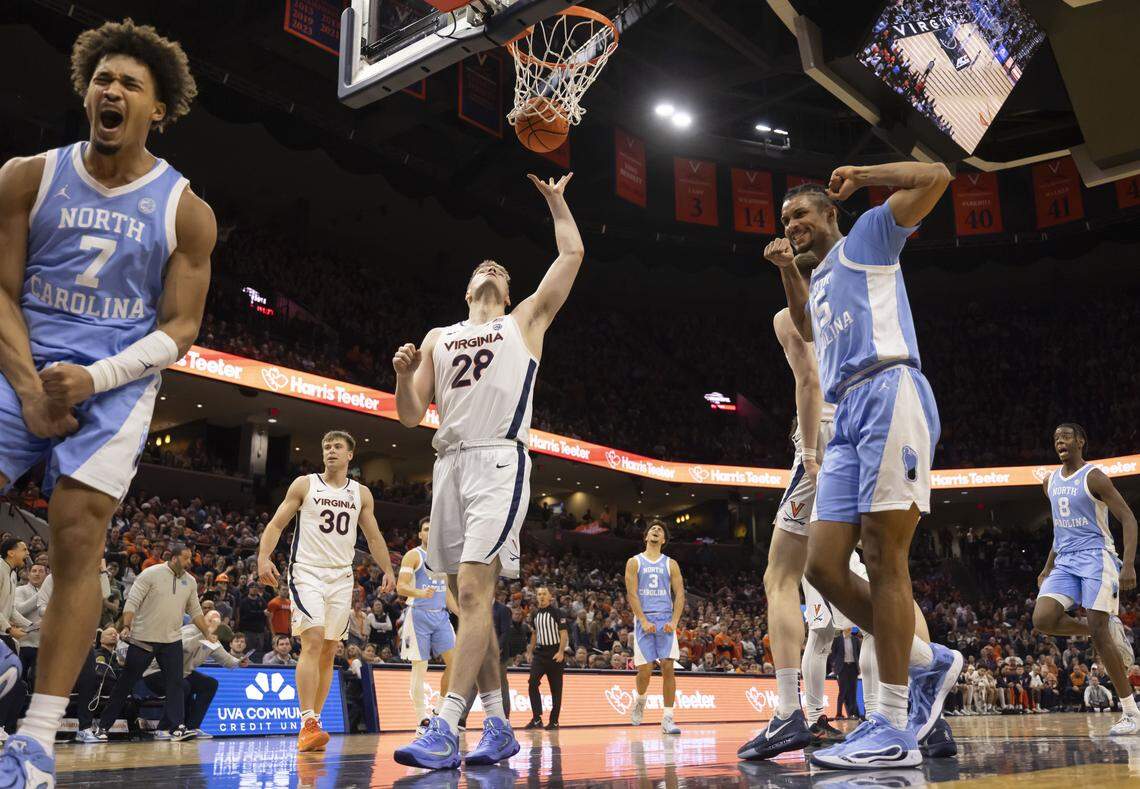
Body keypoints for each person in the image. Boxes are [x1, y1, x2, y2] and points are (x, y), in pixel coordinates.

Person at [0, 18, 215, 784]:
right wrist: (28, 385)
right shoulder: (28, 175)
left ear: (158, 109)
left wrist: (91, 380)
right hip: (21, 362)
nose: (111, 90)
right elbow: (1, 288)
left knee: (76, 532)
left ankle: (35, 734)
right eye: (103, 79)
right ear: (86, 91)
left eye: (130, 83)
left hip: (115, 385)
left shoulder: (184, 209)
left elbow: (181, 328)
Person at [768, 163, 960, 770]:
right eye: (784, 220)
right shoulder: (818, 278)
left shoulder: (870, 237)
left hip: (890, 390)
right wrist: (786, 272)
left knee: (883, 557)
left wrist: (866, 175)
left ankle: (894, 724)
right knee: (822, 567)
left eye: (800, 214)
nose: (791, 225)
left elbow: (937, 176)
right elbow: (803, 325)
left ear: (829, 213)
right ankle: (929, 660)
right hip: (845, 411)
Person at [392, 172, 583, 771]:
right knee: (468, 600)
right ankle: (498, 724)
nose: (493, 268)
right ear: (469, 286)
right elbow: (406, 416)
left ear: (507, 289)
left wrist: (556, 203)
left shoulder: (525, 321)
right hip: (447, 466)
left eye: (502, 268)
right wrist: (402, 375)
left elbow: (572, 253)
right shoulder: (439, 336)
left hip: (499, 458)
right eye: (484, 266)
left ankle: (447, 726)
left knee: (473, 591)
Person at [258, 429, 395, 752]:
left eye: (337, 447)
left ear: (350, 455)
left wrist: (388, 569)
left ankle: (315, 722)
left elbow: (373, 538)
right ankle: (306, 721)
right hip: (307, 571)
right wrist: (263, 557)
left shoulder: (361, 493)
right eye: (326, 447)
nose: (331, 451)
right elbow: (277, 524)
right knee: (313, 638)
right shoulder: (305, 484)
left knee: (330, 649)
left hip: (340, 577)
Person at [1032, 423, 1139, 734]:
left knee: (1099, 633)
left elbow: (1129, 518)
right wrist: (1047, 567)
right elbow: (1059, 529)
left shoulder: (1094, 477)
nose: (1060, 442)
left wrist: (1128, 564)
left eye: (1066, 437)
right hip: (1065, 561)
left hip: (1096, 557)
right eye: (1055, 439)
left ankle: (1130, 711)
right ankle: (1103, 628)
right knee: (1043, 619)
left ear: (1081, 441)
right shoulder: (1049, 481)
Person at [95, 544, 209, 742]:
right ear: (173, 558)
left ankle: (177, 728)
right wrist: (127, 625)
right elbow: (132, 602)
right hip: (143, 638)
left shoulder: (190, 581)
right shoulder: (150, 574)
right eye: (186, 558)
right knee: (125, 683)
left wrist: (208, 632)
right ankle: (103, 727)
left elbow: (196, 611)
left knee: (176, 684)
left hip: (172, 639)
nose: (190, 562)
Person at [142, 609, 245, 739]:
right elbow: (183, 647)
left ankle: (193, 727)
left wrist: (239, 662)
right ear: (201, 620)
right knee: (183, 685)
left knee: (209, 684)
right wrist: (206, 634)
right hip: (156, 673)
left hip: (179, 674)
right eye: (210, 620)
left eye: (216, 622)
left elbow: (228, 661)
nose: (213, 624)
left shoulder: (214, 641)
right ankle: (163, 728)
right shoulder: (188, 630)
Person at [397, 517, 457, 733]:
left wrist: (460, 612)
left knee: (455, 664)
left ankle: (438, 712)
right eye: (426, 529)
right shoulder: (413, 555)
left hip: (441, 616)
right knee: (419, 668)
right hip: (418, 615)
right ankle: (422, 718)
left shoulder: (444, 559)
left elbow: (446, 590)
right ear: (420, 534)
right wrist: (420, 593)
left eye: (434, 529)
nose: (430, 533)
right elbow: (401, 587)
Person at [625, 520, 685, 735]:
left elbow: (679, 594)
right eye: (652, 528)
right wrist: (642, 620)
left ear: (664, 540)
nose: (656, 530)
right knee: (646, 671)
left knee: (668, 666)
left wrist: (674, 622)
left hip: (666, 620)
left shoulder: (671, 564)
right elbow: (632, 593)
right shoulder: (634, 562)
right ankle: (641, 699)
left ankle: (668, 718)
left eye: (660, 529)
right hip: (645, 619)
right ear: (646, 537)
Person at [523, 587, 568, 730]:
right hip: (540, 654)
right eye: (539, 594)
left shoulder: (557, 612)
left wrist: (561, 652)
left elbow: (564, 634)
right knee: (532, 682)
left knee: (556, 689)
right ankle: (537, 718)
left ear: (550, 597)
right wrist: (530, 652)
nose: (541, 596)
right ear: (536, 597)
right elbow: (534, 634)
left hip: (555, 653)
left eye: (544, 594)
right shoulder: (535, 614)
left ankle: (554, 721)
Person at [831, 629, 861, 720]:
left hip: (853, 667)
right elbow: (833, 654)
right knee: (842, 691)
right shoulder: (837, 640)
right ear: (843, 628)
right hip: (842, 667)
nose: (849, 628)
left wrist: (859, 666)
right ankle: (839, 713)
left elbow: (859, 654)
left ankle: (853, 714)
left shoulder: (856, 640)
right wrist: (835, 666)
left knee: (853, 691)